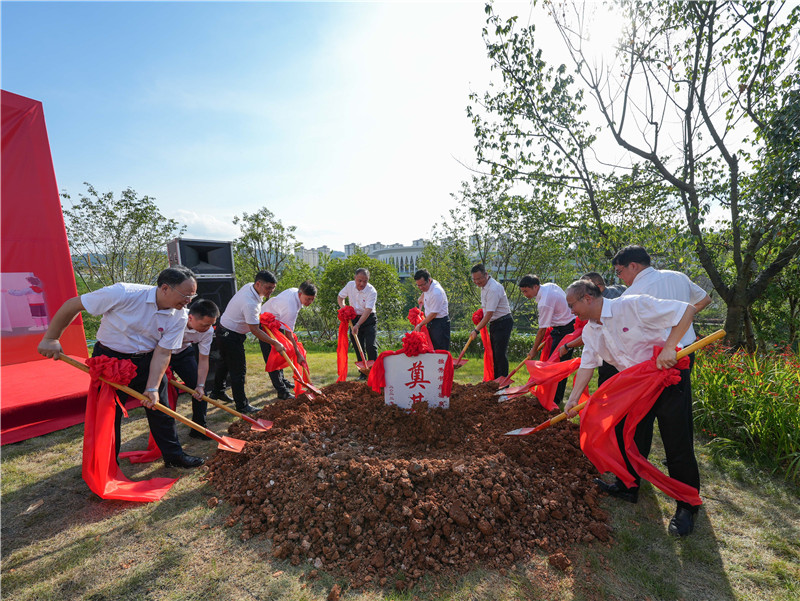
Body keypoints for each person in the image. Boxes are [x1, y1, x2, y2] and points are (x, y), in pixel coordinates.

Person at [563, 279, 701, 536]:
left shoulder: (632, 305)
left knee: (676, 442)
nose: (571, 312)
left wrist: (670, 346)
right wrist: (573, 397)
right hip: (636, 387)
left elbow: (686, 310)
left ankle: (687, 504)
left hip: (667, 378)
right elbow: (588, 363)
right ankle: (628, 485)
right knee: (630, 435)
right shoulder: (591, 331)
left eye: (572, 305)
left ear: (587, 298)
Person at [37, 266, 205, 468]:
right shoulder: (123, 293)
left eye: (192, 296)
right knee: (109, 413)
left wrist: (152, 388)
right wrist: (51, 338)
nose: (188, 301)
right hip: (111, 360)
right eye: (185, 295)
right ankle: (106, 464)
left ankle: (173, 455)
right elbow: (73, 305)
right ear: (165, 288)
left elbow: (163, 352)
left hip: (147, 359)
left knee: (161, 409)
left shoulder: (180, 316)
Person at [211, 271, 285, 414]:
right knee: (238, 371)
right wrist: (275, 342)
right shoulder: (250, 302)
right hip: (231, 336)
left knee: (224, 363)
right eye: (268, 288)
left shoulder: (250, 287)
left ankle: (217, 391)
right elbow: (255, 331)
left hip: (223, 330)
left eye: (273, 288)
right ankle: (242, 405)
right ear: (258, 284)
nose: (270, 291)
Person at [518, 275, 575, 406]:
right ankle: (552, 396)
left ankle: (555, 399)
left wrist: (533, 350)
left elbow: (542, 330)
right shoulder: (549, 285)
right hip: (562, 326)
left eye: (526, 291)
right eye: (523, 291)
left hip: (565, 330)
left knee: (556, 365)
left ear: (536, 287)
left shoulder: (544, 302)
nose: (525, 294)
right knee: (555, 364)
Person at [169, 298, 219, 439]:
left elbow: (203, 359)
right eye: (204, 325)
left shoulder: (208, 331)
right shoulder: (173, 320)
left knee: (200, 392)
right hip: (161, 355)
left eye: (211, 324)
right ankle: (168, 434)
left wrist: (200, 385)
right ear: (190, 318)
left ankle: (199, 428)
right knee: (166, 394)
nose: (208, 328)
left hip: (184, 353)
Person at [259, 281, 317, 399]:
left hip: (276, 322)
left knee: (282, 352)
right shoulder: (291, 307)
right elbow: (289, 333)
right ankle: (282, 391)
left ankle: (283, 380)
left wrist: (296, 351)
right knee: (273, 356)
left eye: (312, 299)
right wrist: (298, 354)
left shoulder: (295, 292)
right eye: (307, 299)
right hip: (265, 324)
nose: (309, 302)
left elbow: (287, 331)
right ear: (300, 294)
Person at [580, 272, 626, 385]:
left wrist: (568, 345)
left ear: (599, 287)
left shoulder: (601, 303)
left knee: (607, 382)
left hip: (615, 347)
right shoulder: (620, 289)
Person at [470, 264, 513, 378]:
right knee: (493, 354)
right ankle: (495, 382)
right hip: (495, 323)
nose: (477, 282)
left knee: (499, 354)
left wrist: (476, 330)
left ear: (486, 275)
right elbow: (486, 309)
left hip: (503, 322)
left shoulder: (493, 288)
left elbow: (489, 314)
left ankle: (502, 384)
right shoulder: (484, 287)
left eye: (479, 278)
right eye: (474, 279)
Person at [337, 268, 378, 380]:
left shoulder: (372, 291)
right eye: (359, 280)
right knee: (357, 345)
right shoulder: (350, 285)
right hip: (354, 318)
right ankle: (363, 373)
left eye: (365, 281)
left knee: (371, 345)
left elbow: (368, 310)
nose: (362, 284)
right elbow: (340, 297)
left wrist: (358, 325)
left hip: (368, 319)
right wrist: (344, 308)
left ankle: (374, 372)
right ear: (355, 278)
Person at [413, 269, 450, 351]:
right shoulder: (430, 284)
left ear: (428, 280)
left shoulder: (436, 292)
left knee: (440, 351)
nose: (421, 288)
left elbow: (433, 314)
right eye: (418, 285)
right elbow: (425, 291)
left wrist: (420, 325)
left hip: (440, 323)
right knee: (432, 348)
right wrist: (422, 296)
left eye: (422, 285)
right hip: (431, 322)